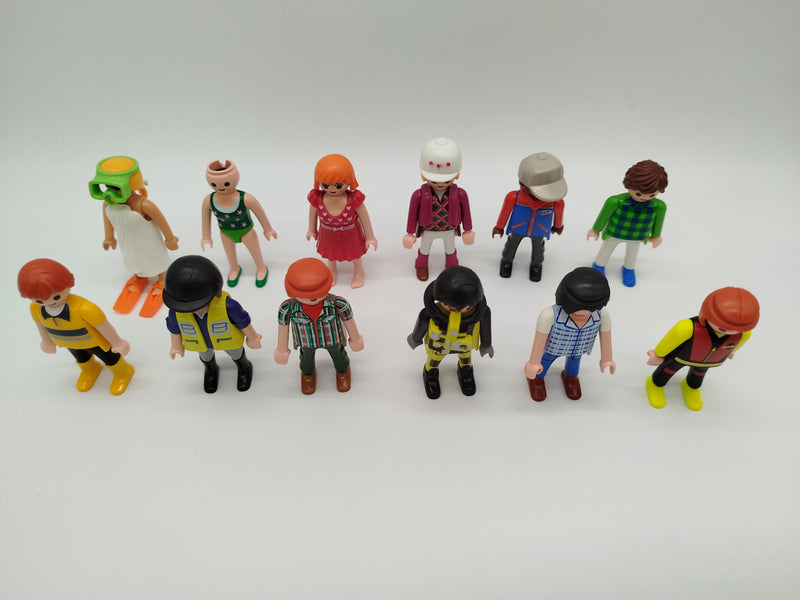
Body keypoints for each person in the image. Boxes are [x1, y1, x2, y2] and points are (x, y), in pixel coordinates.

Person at [18, 258, 134, 395]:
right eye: (39, 300)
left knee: (110, 358)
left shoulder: (85, 309)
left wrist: (117, 343)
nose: (48, 302)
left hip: (95, 342)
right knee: (81, 358)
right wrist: (46, 341)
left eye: (56, 297)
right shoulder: (35, 309)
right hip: (68, 342)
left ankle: (123, 372)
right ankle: (90, 369)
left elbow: (104, 326)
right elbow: (40, 325)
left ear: (68, 284)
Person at [89, 156, 179, 317]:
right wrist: (109, 237)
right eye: (107, 186)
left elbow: (161, 221)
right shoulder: (108, 204)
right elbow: (108, 221)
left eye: (115, 187)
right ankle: (138, 276)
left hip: (149, 241)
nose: (110, 192)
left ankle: (162, 277)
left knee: (155, 257)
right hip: (127, 242)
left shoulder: (143, 205)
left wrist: (170, 239)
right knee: (132, 259)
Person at [646, 287, 759, 411]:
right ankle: (655, 384)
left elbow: (737, 345)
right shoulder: (687, 328)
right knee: (666, 371)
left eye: (737, 329)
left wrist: (731, 352)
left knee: (697, 376)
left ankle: (691, 387)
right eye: (723, 328)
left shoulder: (743, 334)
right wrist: (658, 354)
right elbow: (670, 341)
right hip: (680, 357)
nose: (731, 331)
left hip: (707, 362)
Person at [163, 255, 262, 393]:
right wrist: (176, 346)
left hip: (228, 341)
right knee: (205, 357)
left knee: (237, 354)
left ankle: (244, 367)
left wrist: (253, 337)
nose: (190, 308)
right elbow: (174, 328)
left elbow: (243, 322)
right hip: (200, 343)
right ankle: (211, 370)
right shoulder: (177, 312)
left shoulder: (228, 307)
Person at [275, 257, 364, 394]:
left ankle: (342, 371)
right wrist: (282, 350)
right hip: (306, 341)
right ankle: (308, 375)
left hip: (332, 339)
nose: (312, 298)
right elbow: (283, 328)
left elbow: (348, 320)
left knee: (339, 356)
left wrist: (355, 339)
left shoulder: (337, 304)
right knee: (306, 361)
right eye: (305, 295)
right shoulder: (288, 308)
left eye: (318, 292)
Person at [524, 267, 614, 401]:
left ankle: (570, 377)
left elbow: (606, 335)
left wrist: (607, 359)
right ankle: (537, 379)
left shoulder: (601, 315)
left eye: (590, 309)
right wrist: (534, 362)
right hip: (553, 348)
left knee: (574, 364)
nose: (583, 314)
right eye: (578, 309)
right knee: (545, 361)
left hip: (578, 349)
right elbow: (540, 339)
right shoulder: (550, 315)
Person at [407, 266, 493, 399]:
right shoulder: (431, 314)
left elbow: (485, 327)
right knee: (434, 361)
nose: (459, 311)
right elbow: (422, 324)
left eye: (467, 308)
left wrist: (486, 345)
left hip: (464, 344)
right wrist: (415, 338)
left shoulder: (480, 314)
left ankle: (466, 372)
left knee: (466, 360)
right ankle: (430, 373)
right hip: (440, 345)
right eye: (451, 307)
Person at [586, 160, 668, 287]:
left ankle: (629, 269)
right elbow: (604, 216)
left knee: (632, 254)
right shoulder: (615, 202)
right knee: (606, 249)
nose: (644, 197)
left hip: (638, 235)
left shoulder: (659, 206)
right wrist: (595, 230)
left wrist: (656, 236)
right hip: (614, 232)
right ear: (628, 185)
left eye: (652, 195)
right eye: (638, 193)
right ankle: (599, 266)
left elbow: (658, 222)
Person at [403, 138, 474, 281]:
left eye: (447, 180)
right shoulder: (419, 195)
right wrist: (410, 233)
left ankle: (452, 266)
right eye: (434, 180)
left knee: (450, 248)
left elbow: (466, 212)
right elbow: (412, 214)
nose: (440, 184)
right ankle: (421, 265)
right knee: (425, 248)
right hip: (428, 227)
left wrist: (468, 230)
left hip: (449, 227)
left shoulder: (460, 194)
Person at [201, 159, 278, 288]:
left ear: (235, 177)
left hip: (246, 231)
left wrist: (268, 229)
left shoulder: (246, 199)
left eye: (226, 183)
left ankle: (261, 268)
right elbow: (205, 219)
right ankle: (234, 268)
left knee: (255, 253)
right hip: (225, 232)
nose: (221, 187)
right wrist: (206, 237)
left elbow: (260, 213)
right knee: (230, 255)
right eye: (214, 184)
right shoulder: (209, 200)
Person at [492, 152, 566, 282]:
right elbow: (505, 212)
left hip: (539, 230)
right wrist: (499, 227)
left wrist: (557, 226)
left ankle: (536, 266)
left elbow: (558, 215)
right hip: (518, 227)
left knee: (538, 249)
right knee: (511, 245)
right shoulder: (514, 197)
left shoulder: (556, 202)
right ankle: (507, 261)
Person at [306, 154, 377, 288]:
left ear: (349, 181)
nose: (332, 189)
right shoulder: (317, 199)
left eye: (338, 185)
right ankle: (332, 271)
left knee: (355, 254)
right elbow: (312, 215)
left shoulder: (354, 200)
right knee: (330, 254)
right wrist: (311, 230)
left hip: (351, 234)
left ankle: (359, 272)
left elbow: (365, 219)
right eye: (326, 185)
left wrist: (370, 237)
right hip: (328, 234)